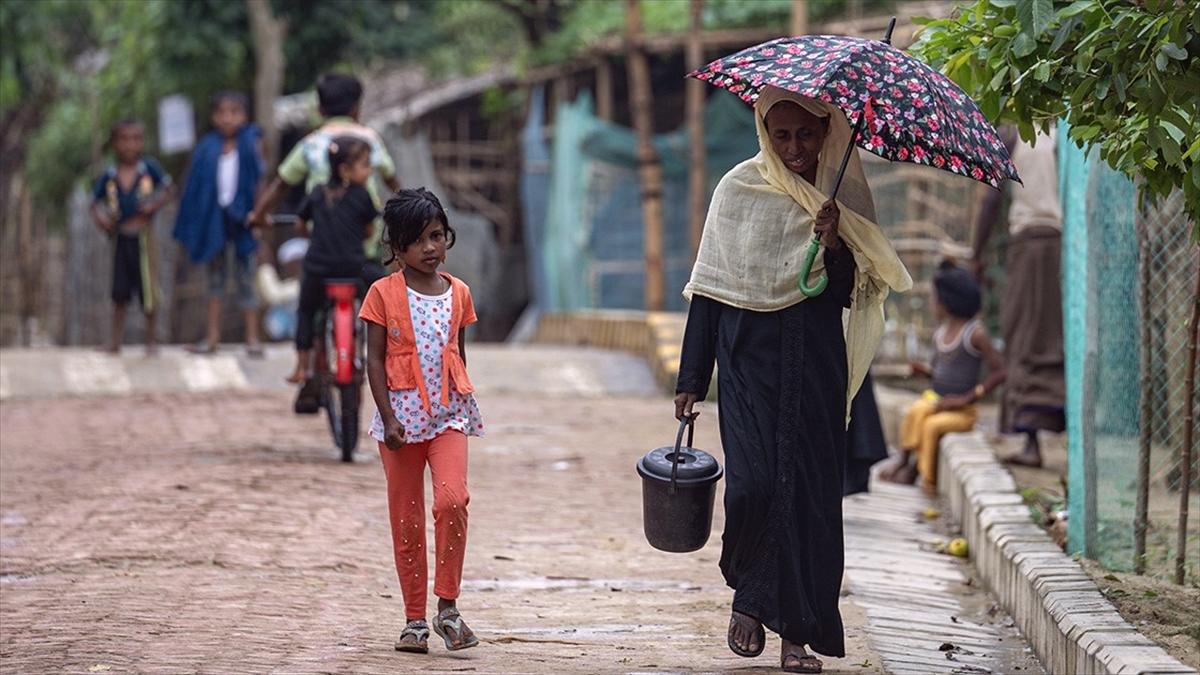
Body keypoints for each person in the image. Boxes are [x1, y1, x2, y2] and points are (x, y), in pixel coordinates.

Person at [674, 86, 911, 674]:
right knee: (753, 488)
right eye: (782, 135)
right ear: (764, 132)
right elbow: (710, 288)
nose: (795, 146)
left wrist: (833, 242)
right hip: (747, 361)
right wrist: (690, 376)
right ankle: (752, 597)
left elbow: (846, 293)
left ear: (826, 133)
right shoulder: (736, 189)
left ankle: (795, 635)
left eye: (806, 134)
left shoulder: (841, 198)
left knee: (807, 500)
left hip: (814, 365)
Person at [361, 188, 483, 655]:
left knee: (453, 500)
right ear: (396, 248)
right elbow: (373, 361)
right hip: (400, 427)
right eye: (418, 240)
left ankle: (447, 607)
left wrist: (462, 400)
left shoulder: (460, 294)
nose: (430, 248)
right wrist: (388, 417)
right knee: (406, 518)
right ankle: (414, 620)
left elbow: (458, 353)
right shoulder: (381, 295)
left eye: (437, 236)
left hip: (450, 419)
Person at [248, 73, 400, 284]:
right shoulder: (369, 139)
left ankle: (309, 318)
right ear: (357, 108)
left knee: (309, 303)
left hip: (322, 241)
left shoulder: (310, 144)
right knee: (376, 292)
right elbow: (391, 180)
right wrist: (404, 207)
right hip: (363, 240)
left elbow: (281, 184)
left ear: (320, 110)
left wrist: (259, 214)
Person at [972, 127, 1065, 467]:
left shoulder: (1015, 134)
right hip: (1064, 242)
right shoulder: (1065, 136)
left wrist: (976, 253)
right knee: (1052, 335)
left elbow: (992, 198)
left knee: (1025, 335)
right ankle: (1045, 432)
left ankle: (1031, 442)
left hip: (1032, 242)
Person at [881, 261, 1006, 489]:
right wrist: (925, 373)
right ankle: (904, 459)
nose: (931, 303)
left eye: (934, 298)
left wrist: (968, 397)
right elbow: (942, 372)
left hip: (963, 410)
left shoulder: (974, 333)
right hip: (937, 400)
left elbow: (1001, 371)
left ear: (947, 301)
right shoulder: (941, 333)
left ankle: (923, 477)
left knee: (933, 427)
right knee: (917, 411)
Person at [173, 91, 265, 356]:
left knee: (247, 278)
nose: (228, 118)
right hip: (215, 220)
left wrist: (258, 217)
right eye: (222, 113)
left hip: (244, 219)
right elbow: (196, 188)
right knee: (215, 279)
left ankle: (252, 338)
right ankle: (212, 337)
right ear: (214, 117)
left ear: (245, 116)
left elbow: (259, 181)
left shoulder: (251, 143)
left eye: (234, 112)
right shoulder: (206, 148)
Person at [288, 136, 378, 393]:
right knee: (384, 292)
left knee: (306, 309)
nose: (369, 170)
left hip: (319, 269)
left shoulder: (317, 193)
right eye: (364, 165)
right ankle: (387, 351)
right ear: (345, 170)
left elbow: (300, 224)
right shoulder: (362, 195)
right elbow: (369, 229)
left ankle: (302, 366)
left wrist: (313, 235)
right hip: (353, 268)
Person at [90, 119, 173, 355]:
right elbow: (93, 203)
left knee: (148, 291)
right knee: (119, 293)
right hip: (120, 238)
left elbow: (169, 190)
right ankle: (115, 342)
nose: (130, 145)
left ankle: (151, 342)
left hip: (144, 239)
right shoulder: (109, 174)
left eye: (136, 139)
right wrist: (101, 220)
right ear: (115, 143)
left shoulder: (149, 169)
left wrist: (153, 206)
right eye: (125, 140)